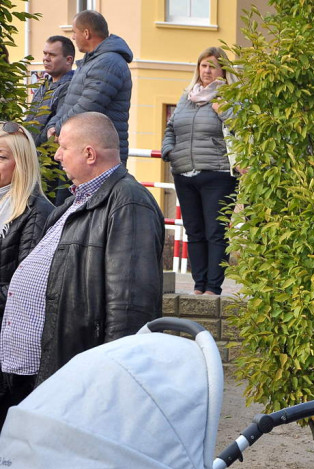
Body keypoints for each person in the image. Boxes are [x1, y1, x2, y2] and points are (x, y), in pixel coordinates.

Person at [0, 113, 163, 420]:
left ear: (89, 153)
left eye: (63, 147)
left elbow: (130, 305)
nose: (57, 155)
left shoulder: (127, 201)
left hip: (76, 373)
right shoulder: (74, 203)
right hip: (39, 368)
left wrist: (110, 379)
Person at [162, 47, 238, 296]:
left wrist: (222, 109)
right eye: (203, 65)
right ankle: (198, 285)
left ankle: (213, 288)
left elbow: (243, 127)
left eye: (212, 66)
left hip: (218, 173)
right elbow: (171, 127)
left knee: (215, 231)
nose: (206, 71)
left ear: (222, 71)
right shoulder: (187, 96)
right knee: (194, 231)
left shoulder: (230, 96)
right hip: (184, 172)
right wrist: (169, 150)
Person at [0, 122, 54, 427]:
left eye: (1, 157)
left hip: (11, 348)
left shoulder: (36, 212)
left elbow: (24, 288)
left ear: (20, 163)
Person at [48, 10, 134, 165]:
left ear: (86, 33)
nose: (73, 37)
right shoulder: (92, 62)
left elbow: (88, 105)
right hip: (82, 150)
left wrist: (58, 128)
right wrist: (53, 125)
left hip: (99, 156)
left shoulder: (108, 63)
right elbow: (69, 103)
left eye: (74, 32)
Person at [24, 36, 75, 147]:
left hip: (49, 157)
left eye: (52, 55)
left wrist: (32, 147)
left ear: (68, 60)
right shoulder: (43, 85)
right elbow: (31, 118)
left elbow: (56, 128)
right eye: (45, 53)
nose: (46, 59)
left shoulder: (71, 87)